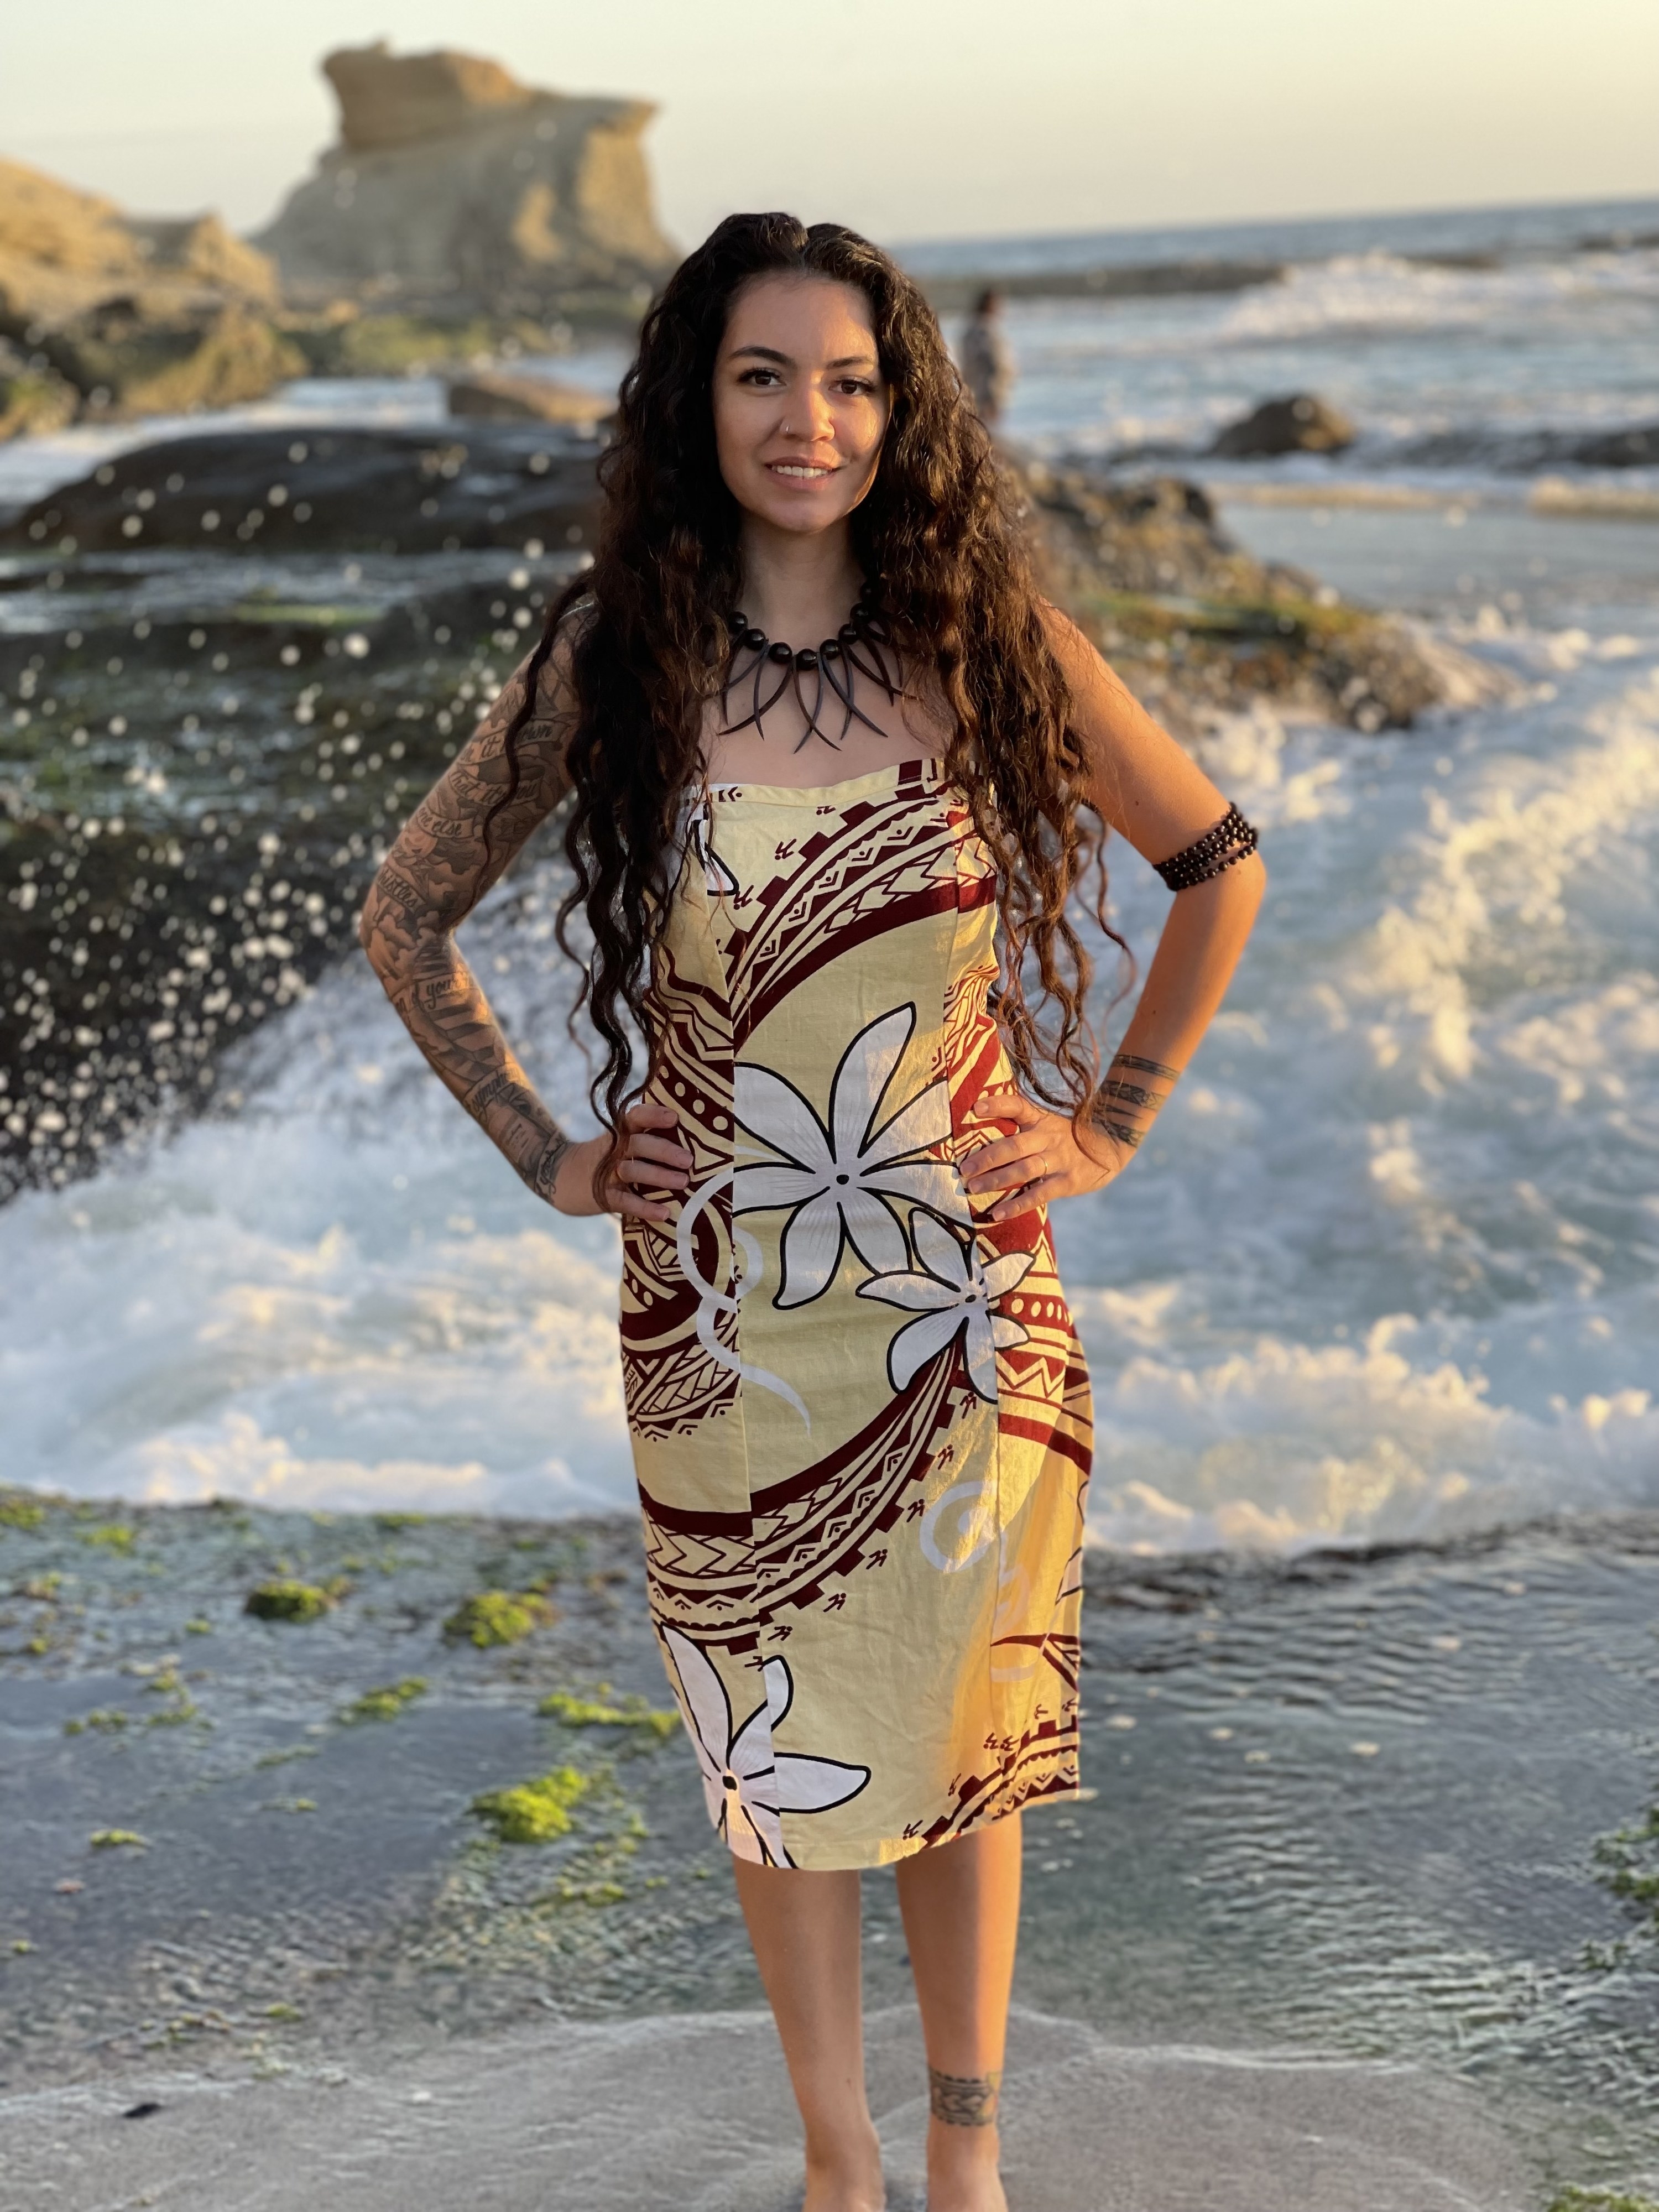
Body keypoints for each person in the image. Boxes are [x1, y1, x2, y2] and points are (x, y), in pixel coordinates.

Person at [360, 212, 1262, 2212]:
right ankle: (833, 2162)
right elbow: (403, 908)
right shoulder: (623, 650)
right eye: (763, 373)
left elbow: (1213, 860)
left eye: (850, 379)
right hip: (720, 1316)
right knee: (772, 1751)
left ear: (900, 404)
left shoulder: (977, 629)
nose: (809, 418)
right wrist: (551, 1151)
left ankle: (964, 2157)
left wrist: (1102, 1123)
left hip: (964, 1301)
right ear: (698, 397)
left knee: (964, 1726)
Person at [958, 286, 1014, 428]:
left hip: (975, 385)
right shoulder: (985, 329)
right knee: (989, 428)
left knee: (983, 426)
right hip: (988, 386)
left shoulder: (971, 328)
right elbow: (992, 360)